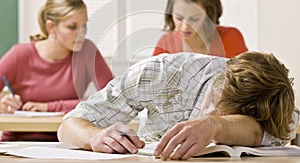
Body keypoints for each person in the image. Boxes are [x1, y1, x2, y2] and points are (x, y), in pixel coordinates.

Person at [58, 51, 299, 160]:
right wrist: (95, 136)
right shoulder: (163, 73)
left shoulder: (278, 105)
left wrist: (214, 126)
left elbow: (268, 132)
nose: (213, 112)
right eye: (217, 107)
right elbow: (69, 125)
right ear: (220, 87)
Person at [0, 0, 113, 141]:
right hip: (18, 144)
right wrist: (2, 105)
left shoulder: (88, 52)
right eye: (72, 27)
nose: (82, 33)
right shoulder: (19, 54)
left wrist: (48, 107)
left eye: (84, 25)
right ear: (51, 27)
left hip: (68, 144)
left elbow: (112, 99)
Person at [153, 0, 248, 58]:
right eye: (179, 18)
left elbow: (249, 77)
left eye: (194, 19)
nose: (185, 27)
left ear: (208, 15)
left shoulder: (230, 38)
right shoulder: (166, 45)